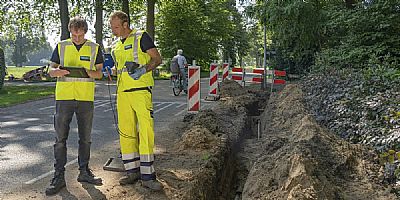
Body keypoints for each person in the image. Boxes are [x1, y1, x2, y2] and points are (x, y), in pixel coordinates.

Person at [45, 16, 104, 196]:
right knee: (60, 139)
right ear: (70, 31)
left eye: (80, 35)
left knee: (85, 138)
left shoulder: (95, 48)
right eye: (74, 35)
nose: (77, 38)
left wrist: (90, 72)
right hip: (64, 98)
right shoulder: (62, 46)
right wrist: (56, 72)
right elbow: (50, 70)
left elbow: (100, 73)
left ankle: (84, 172)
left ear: (85, 31)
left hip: (86, 98)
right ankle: (59, 176)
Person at [109, 11, 163, 191]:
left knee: (146, 131)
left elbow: (157, 59)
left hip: (140, 91)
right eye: (112, 27)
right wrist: (112, 72)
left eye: (116, 27)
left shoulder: (141, 37)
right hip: (122, 93)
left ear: (125, 24)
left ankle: (148, 175)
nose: (113, 30)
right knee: (126, 132)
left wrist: (143, 70)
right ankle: (132, 171)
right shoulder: (116, 46)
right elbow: (120, 69)